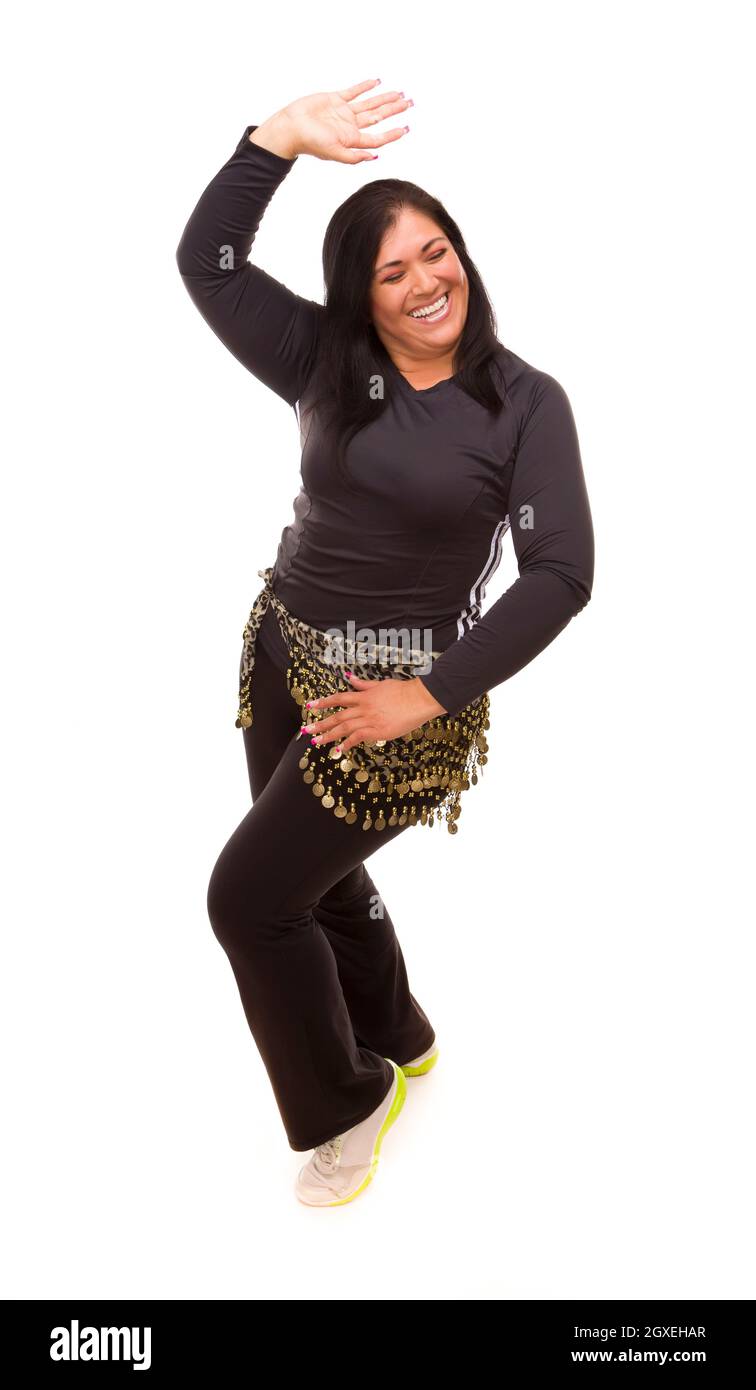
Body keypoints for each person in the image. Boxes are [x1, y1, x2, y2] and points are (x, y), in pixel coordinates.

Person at [175, 78, 595, 1207]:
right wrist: (276, 143)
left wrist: (429, 693)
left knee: (247, 900)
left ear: (465, 255)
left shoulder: (522, 406)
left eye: (437, 252)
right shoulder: (323, 361)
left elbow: (562, 576)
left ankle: (345, 1100)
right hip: (280, 655)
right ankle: (397, 1031)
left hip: (398, 707)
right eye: (392, 268)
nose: (425, 281)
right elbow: (206, 261)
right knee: (309, 873)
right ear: (360, 293)